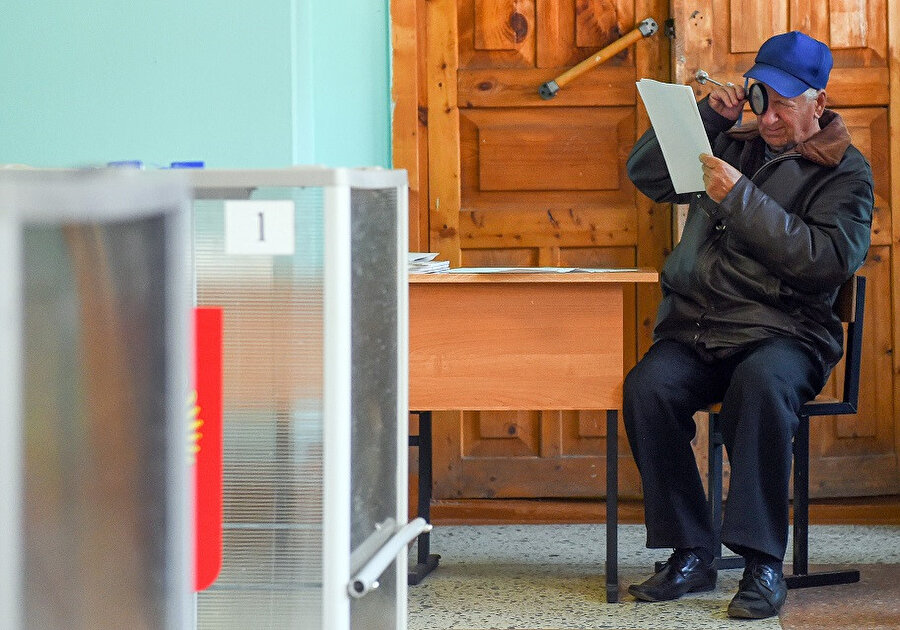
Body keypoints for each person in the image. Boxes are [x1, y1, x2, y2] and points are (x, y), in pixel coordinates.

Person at [623, 31, 873, 619]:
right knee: (647, 389)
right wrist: (710, 117)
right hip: (700, 326)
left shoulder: (845, 171)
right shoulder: (731, 142)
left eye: (784, 104)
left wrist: (740, 199)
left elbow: (825, 261)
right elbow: (647, 175)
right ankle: (691, 551)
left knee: (758, 388)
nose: (769, 117)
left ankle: (762, 563)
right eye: (762, 98)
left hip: (787, 333)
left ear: (819, 102)